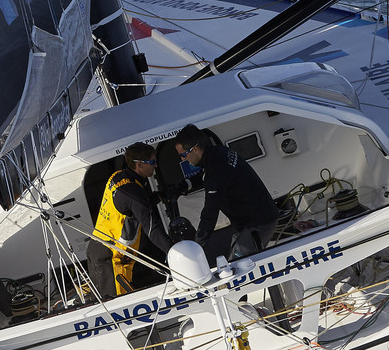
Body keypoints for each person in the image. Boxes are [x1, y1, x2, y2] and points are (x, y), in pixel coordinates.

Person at [174, 123, 279, 264]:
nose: (183, 159)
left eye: (183, 155)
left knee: (239, 267)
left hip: (258, 223)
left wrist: (197, 244)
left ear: (195, 149)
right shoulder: (220, 152)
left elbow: (210, 210)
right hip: (256, 219)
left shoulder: (215, 167)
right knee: (234, 260)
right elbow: (208, 177)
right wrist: (184, 185)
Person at [85, 142, 172, 301]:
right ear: (139, 165)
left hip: (97, 248)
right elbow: (151, 227)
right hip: (111, 257)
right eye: (152, 162)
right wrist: (174, 251)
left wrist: (159, 196)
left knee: (101, 303)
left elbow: (131, 208)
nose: (156, 165)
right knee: (118, 306)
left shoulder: (118, 177)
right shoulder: (132, 190)